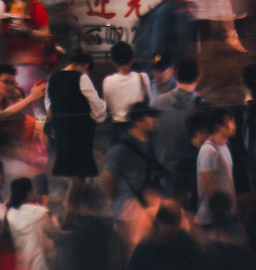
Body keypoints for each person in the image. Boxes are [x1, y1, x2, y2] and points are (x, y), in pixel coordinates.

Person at [105, 102, 167, 240]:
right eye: (149, 117)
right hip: (127, 212)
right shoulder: (121, 147)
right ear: (137, 121)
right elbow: (108, 178)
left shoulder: (153, 143)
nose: (154, 120)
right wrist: (119, 200)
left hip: (148, 210)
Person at [48, 49, 108, 182]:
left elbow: (49, 103)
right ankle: (73, 194)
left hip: (60, 128)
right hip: (81, 128)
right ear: (85, 65)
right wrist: (99, 114)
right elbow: (96, 104)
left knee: (68, 165)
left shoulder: (52, 78)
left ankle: (71, 191)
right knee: (80, 169)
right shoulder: (81, 77)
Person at [99, 41, 152, 144]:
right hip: (138, 126)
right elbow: (149, 101)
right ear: (132, 59)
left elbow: (107, 106)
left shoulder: (107, 81)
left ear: (113, 61)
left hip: (117, 127)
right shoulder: (142, 77)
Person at [194, 108, 237, 224]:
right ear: (219, 127)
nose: (234, 124)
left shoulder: (224, 147)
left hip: (226, 215)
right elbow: (211, 191)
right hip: (212, 220)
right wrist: (220, 217)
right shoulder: (209, 151)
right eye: (230, 121)